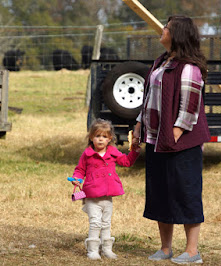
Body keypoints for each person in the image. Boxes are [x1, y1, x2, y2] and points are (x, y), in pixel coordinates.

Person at [132, 15, 210, 264]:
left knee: (185, 192)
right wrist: (138, 125)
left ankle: (192, 251)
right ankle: (166, 248)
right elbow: (149, 99)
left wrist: (175, 135)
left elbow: (190, 108)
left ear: (176, 35)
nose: (162, 30)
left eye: (166, 28)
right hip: (157, 140)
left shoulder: (189, 67)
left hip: (180, 144)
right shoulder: (161, 62)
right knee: (160, 192)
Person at [70, 118, 140, 260]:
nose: (100, 140)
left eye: (104, 137)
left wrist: (135, 151)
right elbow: (79, 170)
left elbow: (126, 162)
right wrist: (77, 179)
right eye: (97, 136)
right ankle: (93, 250)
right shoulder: (87, 154)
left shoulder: (113, 153)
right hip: (92, 196)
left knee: (106, 223)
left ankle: (107, 249)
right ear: (91, 137)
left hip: (107, 196)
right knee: (95, 222)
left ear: (110, 139)